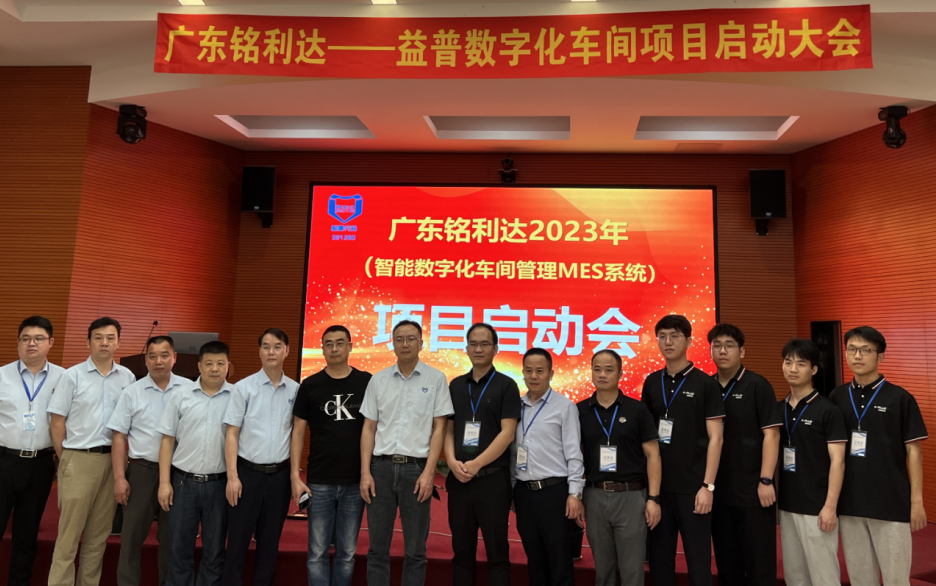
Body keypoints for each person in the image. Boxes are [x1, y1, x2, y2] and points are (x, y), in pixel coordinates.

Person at [829, 326, 928, 586]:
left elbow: (914, 453)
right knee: (861, 579)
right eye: (852, 349)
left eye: (865, 350)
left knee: (896, 579)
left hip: (891, 504)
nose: (857, 356)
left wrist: (916, 502)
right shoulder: (837, 397)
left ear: (880, 356)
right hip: (850, 504)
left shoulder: (900, 398)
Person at [359, 320, 454, 586]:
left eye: (411, 338)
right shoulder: (378, 380)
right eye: (399, 339)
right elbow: (368, 428)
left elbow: (439, 429)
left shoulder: (436, 379)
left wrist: (429, 473)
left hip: (416, 470)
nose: (405, 344)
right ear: (393, 344)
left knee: (415, 550)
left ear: (421, 344)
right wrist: (365, 472)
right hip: (380, 469)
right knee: (377, 549)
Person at [48, 317, 136, 586]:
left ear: (118, 342)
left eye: (110, 338)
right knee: (69, 538)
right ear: (88, 342)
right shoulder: (71, 376)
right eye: (98, 338)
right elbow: (57, 422)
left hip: (113, 462)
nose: (104, 343)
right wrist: (67, 459)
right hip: (79, 459)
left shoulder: (128, 377)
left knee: (98, 538)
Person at [640, 315, 724, 586]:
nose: (668, 342)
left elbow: (716, 439)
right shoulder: (652, 382)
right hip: (659, 489)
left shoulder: (705, 384)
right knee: (660, 562)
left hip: (694, 489)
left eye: (675, 336)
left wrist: (708, 486)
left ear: (688, 341)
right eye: (662, 336)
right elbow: (646, 438)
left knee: (698, 564)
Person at [291, 325, 372, 586]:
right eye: (328, 344)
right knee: (316, 553)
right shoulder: (310, 385)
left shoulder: (366, 382)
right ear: (322, 348)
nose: (334, 348)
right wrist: (295, 476)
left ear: (350, 346)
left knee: (346, 554)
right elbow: (298, 433)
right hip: (319, 481)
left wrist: (367, 473)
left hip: (354, 481)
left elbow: (373, 428)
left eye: (339, 343)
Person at [107, 336, 188, 586]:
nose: (158, 361)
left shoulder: (189, 389)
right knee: (131, 539)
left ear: (174, 357)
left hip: (178, 474)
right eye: (152, 356)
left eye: (164, 355)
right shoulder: (132, 392)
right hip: (142, 472)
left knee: (172, 540)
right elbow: (118, 436)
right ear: (146, 360)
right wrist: (120, 478)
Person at [444, 323, 521, 586]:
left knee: (497, 552)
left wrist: (476, 463)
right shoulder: (455, 385)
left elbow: (508, 433)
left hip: (492, 480)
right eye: (473, 344)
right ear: (466, 348)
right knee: (461, 551)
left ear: (495, 349)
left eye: (485, 344)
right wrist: (451, 462)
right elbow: (448, 431)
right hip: (459, 480)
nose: (478, 349)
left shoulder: (507, 385)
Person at [222, 329, 300, 586]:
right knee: (237, 543)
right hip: (247, 475)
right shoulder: (243, 388)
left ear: (287, 351)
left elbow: (296, 436)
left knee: (269, 544)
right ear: (259, 352)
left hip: (279, 478)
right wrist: (232, 477)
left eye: (277, 346)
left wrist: (293, 477)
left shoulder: (296, 390)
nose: (271, 352)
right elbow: (231, 434)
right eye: (265, 346)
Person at [576, 349, 661, 586]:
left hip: (631, 496)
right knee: (603, 571)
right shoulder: (579, 411)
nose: (602, 374)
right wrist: (576, 495)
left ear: (620, 373)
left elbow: (653, 455)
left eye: (609, 369)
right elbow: (575, 457)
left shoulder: (637, 410)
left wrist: (653, 499)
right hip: (595, 496)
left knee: (632, 571)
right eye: (597, 369)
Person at [706, 324, 782, 586]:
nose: (722, 351)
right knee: (728, 566)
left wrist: (766, 480)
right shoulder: (706, 386)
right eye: (717, 346)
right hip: (718, 492)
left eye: (729, 346)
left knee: (759, 565)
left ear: (742, 351)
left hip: (753, 492)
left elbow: (772, 436)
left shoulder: (757, 385)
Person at [157, 341, 234, 586]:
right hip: (183, 483)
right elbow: (167, 440)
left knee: (214, 553)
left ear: (228, 366)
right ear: (199, 366)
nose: (215, 369)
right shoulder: (181, 395)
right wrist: (164, 483)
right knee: (179, 550)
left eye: (220, 363)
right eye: (209, 363)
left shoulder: (237, 397)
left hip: (219, 485)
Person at [511, 347, 585, 586]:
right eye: (529, 371)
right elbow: (512, 453)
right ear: (523, 372)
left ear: (551, 374)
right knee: (535, 561)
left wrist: (575, 494)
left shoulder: (565, 407)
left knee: (559, 561)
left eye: (540, 371)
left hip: (554, 493)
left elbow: (574, 454)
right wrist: (513, 489)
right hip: (524, 493)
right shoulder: (515, 407)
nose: (533, 376)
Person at [0, 316, 64, 586]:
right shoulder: (2, 375)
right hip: (4, 462)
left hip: (41, 465)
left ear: (50, 342)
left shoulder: (64, 378)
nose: (31, 344)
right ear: (18, 343)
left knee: (26, 537)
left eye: (38, 338)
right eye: (25, 339)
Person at [777, 339, 847, 586]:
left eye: (801, 364)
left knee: (824, 577)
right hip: (787, 506)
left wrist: (830, 507)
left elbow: (838, 462)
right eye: (788, 362)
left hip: (818, 507)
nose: (793, 369)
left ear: (814, 369)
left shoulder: (828, 410)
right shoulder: (778, 409)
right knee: (795, 576)